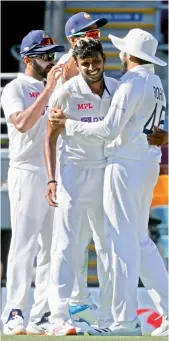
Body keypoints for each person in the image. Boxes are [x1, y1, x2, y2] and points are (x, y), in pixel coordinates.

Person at [51, 29, 169, 337]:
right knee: (141, 243)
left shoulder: (130, 83)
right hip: (146, 164)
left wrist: (68, 125)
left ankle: (124, 323)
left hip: (125, 167)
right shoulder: (155, 82)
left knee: (122, 244)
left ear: (127, 55)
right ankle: (165, 310)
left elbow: (107, 130)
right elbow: (157, 128)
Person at [45, 38, 118, 336]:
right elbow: (49, 138)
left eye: (96, 61)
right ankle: (59, 317)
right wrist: (52, 179)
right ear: (77, 62)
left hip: (107, 172)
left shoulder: (117, 88)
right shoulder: (65, 93)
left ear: (103, 58)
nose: (91, 68)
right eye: (85, 63)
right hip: (73, 174)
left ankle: (106, 317)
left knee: (107, 245)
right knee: (65, 245)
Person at [1, 30, 64, 335]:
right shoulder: (14, 87)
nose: (51, 60)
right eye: (45, 55)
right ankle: (15, 311)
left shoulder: (54, 86)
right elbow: (24, 124)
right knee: (24, 245)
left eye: (53, 54)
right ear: (28, 59)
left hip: (54, 172)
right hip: (26, 170)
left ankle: (43, 313)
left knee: (53, 248)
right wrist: (48, 90)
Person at [54, 11, 109, 323]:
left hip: (94, 164)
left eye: (97, 32)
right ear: (74, 39)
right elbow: (53, 124)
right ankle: (61, 309)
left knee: (90, 240)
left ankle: (83, 303)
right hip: (68, 165)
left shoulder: (91, 65)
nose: (96, 36)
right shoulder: (65, 71)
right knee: (65, 242)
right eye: (90, 32)